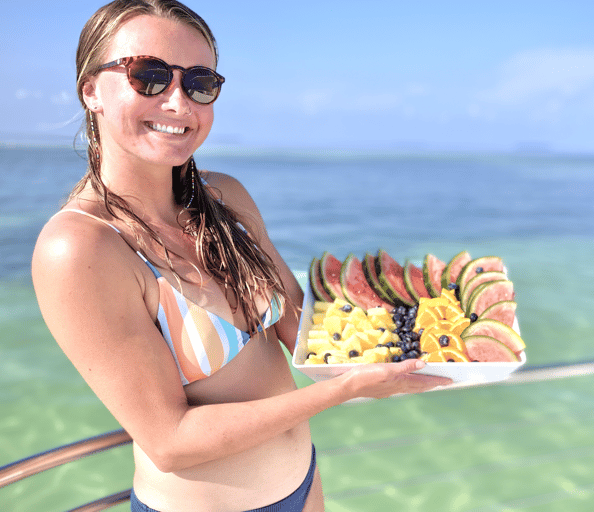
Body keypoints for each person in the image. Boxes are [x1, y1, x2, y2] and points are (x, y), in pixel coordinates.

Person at [31, 1, 452, 510]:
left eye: (200, 83)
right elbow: (171, 441)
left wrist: (416, 330)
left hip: (303, 483)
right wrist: (342, 393)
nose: (178, 103)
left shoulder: (225, 197)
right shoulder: (80, 247)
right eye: (149, 77)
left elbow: (299, 326)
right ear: (91, 90)